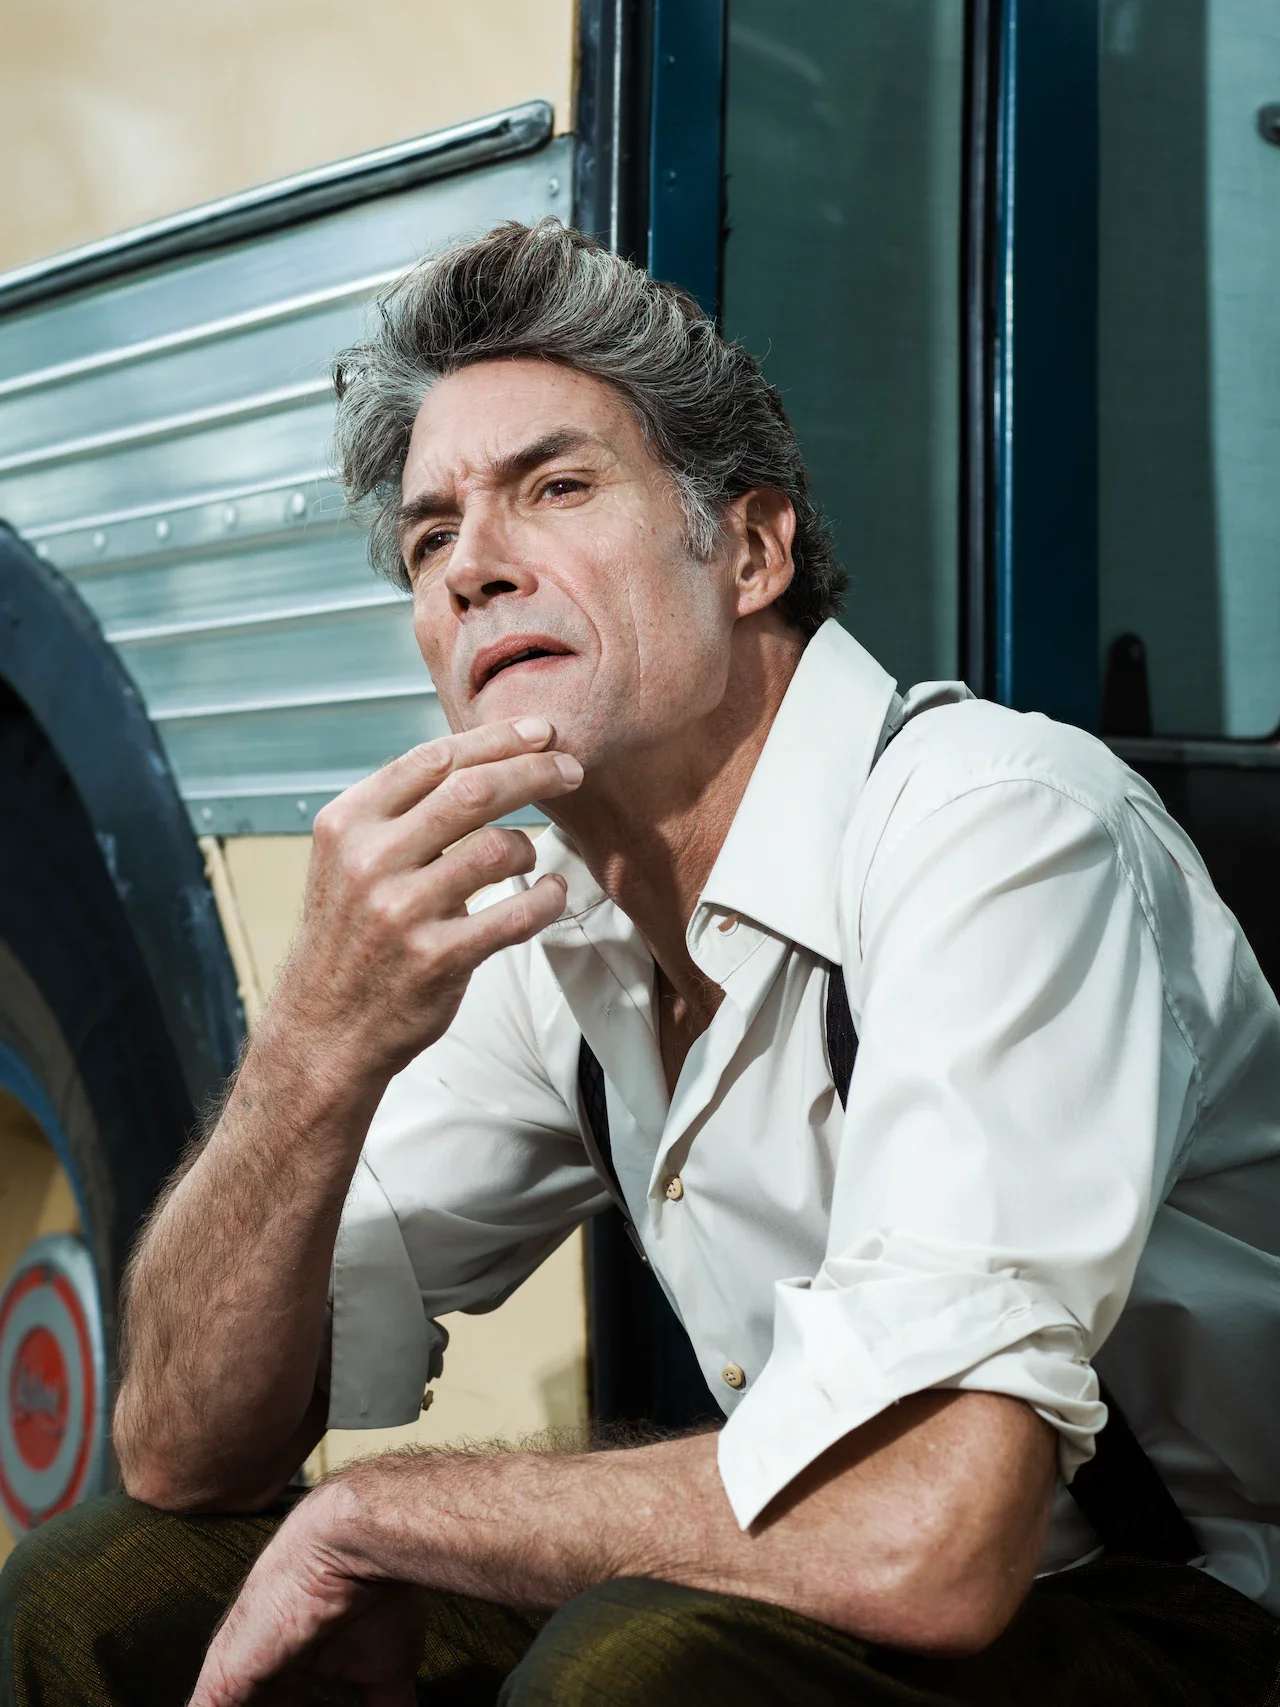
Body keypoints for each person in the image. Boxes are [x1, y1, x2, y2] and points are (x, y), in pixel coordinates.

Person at [3, 219, 1280, 1707]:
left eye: (552, 487)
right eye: (430, 539)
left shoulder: (999, 828)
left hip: (1181, 1614)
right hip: (860, 1584)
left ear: (749, 548)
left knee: (638, 1672)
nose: (474, 564)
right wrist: (315, 1040)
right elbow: (183, 1441)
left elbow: (928, 1528)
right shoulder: (554, 915)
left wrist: (375, 1515)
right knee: (98, 1597)